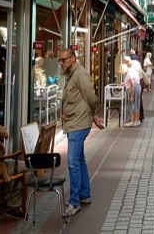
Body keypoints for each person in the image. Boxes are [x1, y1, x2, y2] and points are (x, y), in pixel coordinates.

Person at [59, 48, 104, 218]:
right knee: (79, 159)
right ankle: (84, 194)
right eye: (60, 60)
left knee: (72, 162)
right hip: (74, 123)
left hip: (78, 124)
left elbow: (92, 98)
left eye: (64, 59)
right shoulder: (70, 75)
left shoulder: (80, 75)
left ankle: (74, 202)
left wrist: (93, 115)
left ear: (72, 59)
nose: (61, 63)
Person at [123, 55, 141, 127]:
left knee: (133, 104)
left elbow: (132, 85)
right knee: (137, 104)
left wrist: (132, 95)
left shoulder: (129, 72)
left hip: (134, 88)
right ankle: (137, 120)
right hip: (138, 86)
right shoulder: (133, 69)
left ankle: (133, 121)